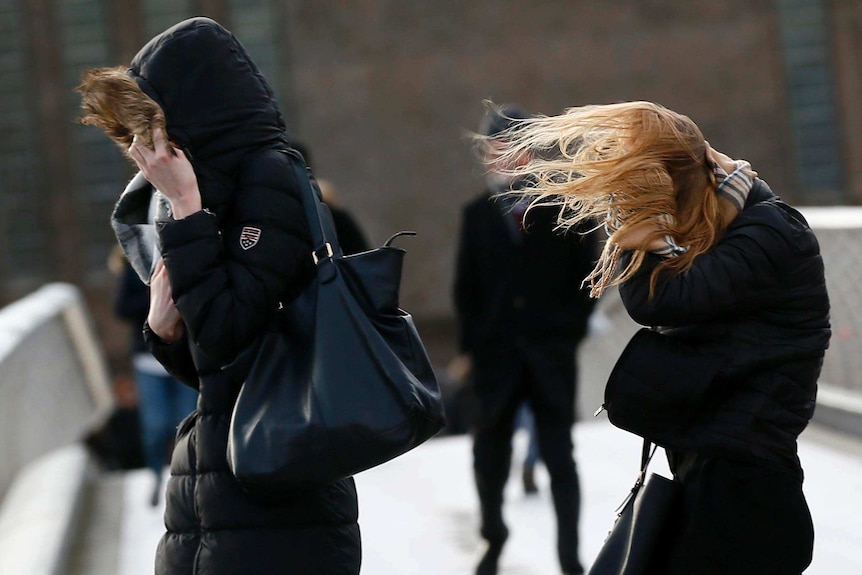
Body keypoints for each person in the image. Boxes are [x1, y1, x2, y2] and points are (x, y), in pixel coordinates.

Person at [491, 101, 831, 575]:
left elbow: (662, 301)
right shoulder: (731, 227)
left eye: (651, 200)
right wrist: (651, 237)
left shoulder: (770, 231)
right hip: (716, 468)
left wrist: (651, 238)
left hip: (748, 484)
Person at [78, 17, 360, 575]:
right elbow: (214, 362)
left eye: (149, 127)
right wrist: (162, 332)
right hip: (217, 480)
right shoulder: (218, 189)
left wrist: (185, 210)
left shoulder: (268, 180)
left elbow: (229, 331)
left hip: (277, 490)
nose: (142, 150)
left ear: (191, 110)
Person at [453, 105, 598, 575]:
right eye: (496, 149)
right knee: (489, 454)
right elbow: (465, 288)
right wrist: (475, 346)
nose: (504, 158)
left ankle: (569, 556)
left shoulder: (566, 208)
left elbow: (587, 275)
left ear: (533, 153)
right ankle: (493, 538)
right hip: (495, 357)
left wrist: (568, 331)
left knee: (560, 457)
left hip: (550, 352)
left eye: (513, 149)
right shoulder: (475, 215)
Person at [112, 248, 198, 506]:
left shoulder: (187, 254)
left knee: (188, 421)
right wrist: (155, 301)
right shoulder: (134, 266)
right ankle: (155, 477)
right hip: (148, 359)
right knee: (156, 426)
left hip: (185, 356)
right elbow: (122, 308)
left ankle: (189, 481)